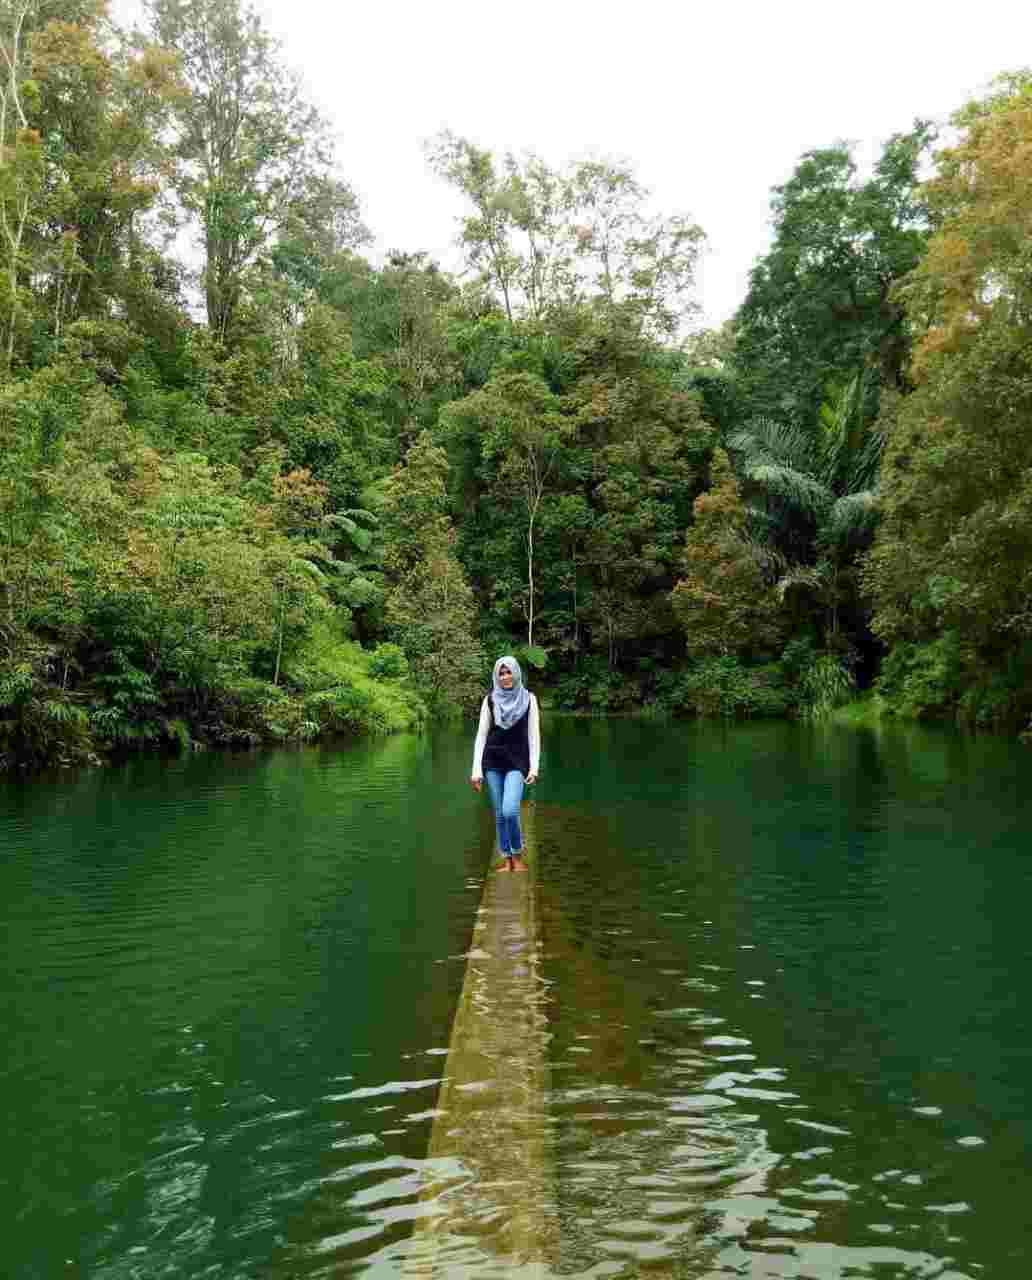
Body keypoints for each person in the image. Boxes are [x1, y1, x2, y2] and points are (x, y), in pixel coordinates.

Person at [470, 656, 540, 872]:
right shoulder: (489, 700)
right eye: (501, 673)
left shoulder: (529, 699)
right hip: (493, 760)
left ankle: (517, 854)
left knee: (510, 809)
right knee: (500, 813)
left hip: (518, 761)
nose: (505, 677)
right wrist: (476, 771)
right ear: (496, 677)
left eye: (508, 672)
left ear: (516, 673)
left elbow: (534, 735)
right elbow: (481, 736)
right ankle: (506, 858)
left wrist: (534, 766)